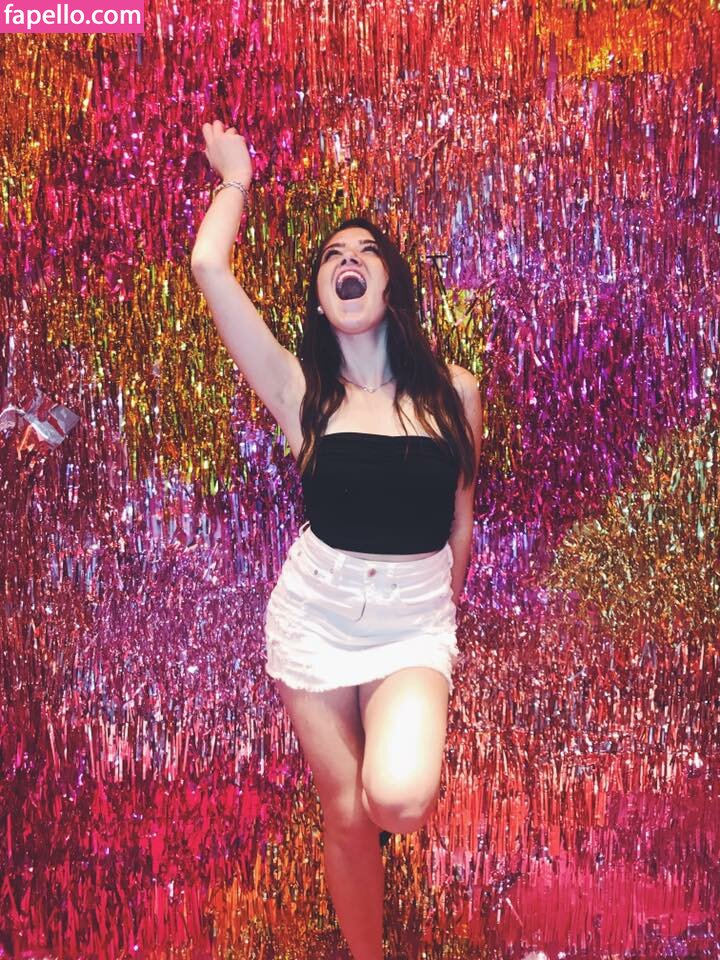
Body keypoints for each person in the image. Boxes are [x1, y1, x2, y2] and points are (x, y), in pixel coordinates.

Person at [191, 120, 483, 960]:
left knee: (397, 799)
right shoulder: (299, 391)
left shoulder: (455, 392)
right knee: (347, 812)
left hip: (412, 620)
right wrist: (236, 179)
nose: (346, 261)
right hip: (315, 616)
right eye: (330, 257)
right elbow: (209, 266)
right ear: (323, 297)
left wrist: (433, 613)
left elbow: (461, 517)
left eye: (363, 252)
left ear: (390, 282)